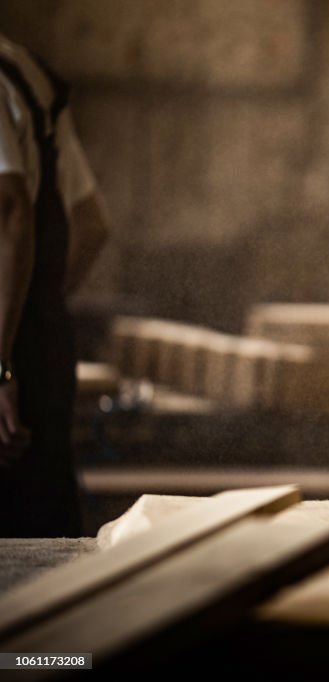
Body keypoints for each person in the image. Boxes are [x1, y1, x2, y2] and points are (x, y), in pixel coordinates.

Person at [0, 33, 110, 537]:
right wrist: (36, 314)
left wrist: (4, 363)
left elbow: (11, 209)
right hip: (37, 348)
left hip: (10, 362)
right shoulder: (27, 72)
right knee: (45, 539)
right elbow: (91, 225)